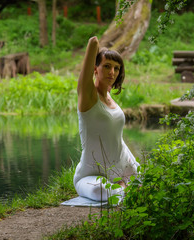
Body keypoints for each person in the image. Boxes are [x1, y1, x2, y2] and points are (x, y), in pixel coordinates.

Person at [74, 36, 140, 201]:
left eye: (117, 68)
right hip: (90, 176)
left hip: (121, 168)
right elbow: (92, 43)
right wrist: (96, 45)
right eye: (107, 66)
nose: (112, 72)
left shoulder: (111, 99)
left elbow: (117, 139)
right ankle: (124, 187)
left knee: (150, 181)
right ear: (95, 69)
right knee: (101, 192)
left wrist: (133, 166)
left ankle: (123, 185)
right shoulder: (88, 97)